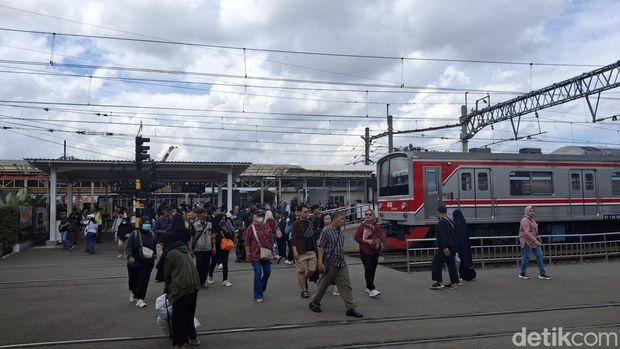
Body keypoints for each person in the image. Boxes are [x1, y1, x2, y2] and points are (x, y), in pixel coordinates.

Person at [309, 213, 363, 318]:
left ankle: (350, 308)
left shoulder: (339, 231)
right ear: (334, 219)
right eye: (341, 218)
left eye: (344, 218)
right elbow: (321, 247)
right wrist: (320, 262)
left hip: (341, 262)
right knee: (323, 284)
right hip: (331, 262)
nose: (344, 220)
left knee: (345, 285)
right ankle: (314, 302)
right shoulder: (326, 231)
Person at [164, 227, 201, 348]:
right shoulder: (185, 251)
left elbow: (167, 275)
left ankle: (180, 344)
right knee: (189, 314)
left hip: (182, 288)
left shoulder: (171, 254)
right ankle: (193, 337)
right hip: (194, 285)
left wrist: (167, 290)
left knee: (178, 317)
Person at [244, 209, 274, 303]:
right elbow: (247, 242)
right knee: (257, 274)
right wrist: (248, 254)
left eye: (262, 215)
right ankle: (258, 294)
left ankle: (261, 286)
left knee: (267, 272)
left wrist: (273, 252)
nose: (260, 217)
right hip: (255, 254)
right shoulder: (250, 228)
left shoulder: (267, 226)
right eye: (258, 215)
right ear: (254, 216)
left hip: (266, 254)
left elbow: (271, 240)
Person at [126, 216, 157, 308]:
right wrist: (130, 256)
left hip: (148, 261)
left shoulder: (152, 234)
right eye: (145, 223)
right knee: (133, 279)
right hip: (135, 260)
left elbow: (154, 246)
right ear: (140, 224)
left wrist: (155, 254)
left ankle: (140, 299)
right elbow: (129, 246)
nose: (147, 225)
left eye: (149, 223)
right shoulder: (134, 234)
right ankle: (133, 290)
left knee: (143, 280)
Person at [354, 209, 385, 297]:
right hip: (365, 250)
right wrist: (366, 241)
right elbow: (356, 237)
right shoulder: (362, 226)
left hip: (375, 250)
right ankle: (372, 289)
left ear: (373, 215)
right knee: (368, 269)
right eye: (366, 214)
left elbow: (380, 237)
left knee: (373, 270)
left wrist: (376, 241)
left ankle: (368, 287)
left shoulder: (377, 226)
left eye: (370, 214)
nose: (368, 216)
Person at [430, 205, 459, 290]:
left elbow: (443, 236)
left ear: (439, 213)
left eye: (437, 212)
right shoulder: (450, 221)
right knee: (451, 264)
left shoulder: (442, 222)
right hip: (453, 247)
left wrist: (445, 247)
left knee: (436, 263)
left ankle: (439, 283)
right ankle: (454, 283)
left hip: (445, 248)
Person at [291, 205, 317, 299]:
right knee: (301, 271)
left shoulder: (310, 222)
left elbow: (313, 235)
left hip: (311, 249)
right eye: (305, 212)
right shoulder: (295, 224)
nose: (307, 213)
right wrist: (294, 251)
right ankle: (304, 290)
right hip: (301, 250)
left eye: (307, 211)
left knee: (312, 270)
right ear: (299, 213)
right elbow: (293, 238)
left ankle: (304, 280)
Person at [519, 206, 551, 280]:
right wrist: (535, 240)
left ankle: (542, 274)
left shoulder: (532, 220)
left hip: (534, 241)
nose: (532, 212)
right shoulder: (525, 220)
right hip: (527, 241)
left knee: (540, 255)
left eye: (533, 211)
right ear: (527, 211)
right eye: (531, 211)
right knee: (526, 257)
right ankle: (522, 273)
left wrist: (538, 237)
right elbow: (527, 232)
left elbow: (534, 230)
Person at [453, 209, 476, 281]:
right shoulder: (463, 222)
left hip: (459, 246)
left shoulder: (456, 223)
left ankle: (462, 274)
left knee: (461, 261)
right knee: (466, 259)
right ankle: (469, 274)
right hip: (465, 245)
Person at [214, 219, 234, 287]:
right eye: (221, 219)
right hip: (217, 248)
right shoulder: (215, 228)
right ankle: (210, 276)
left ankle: (225, 280)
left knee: (225, 264)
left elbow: (230, 237)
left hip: (225, 248)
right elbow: (214, 238)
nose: (222, 221)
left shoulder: (226, 229)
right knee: (213, 263)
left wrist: (226, 231)